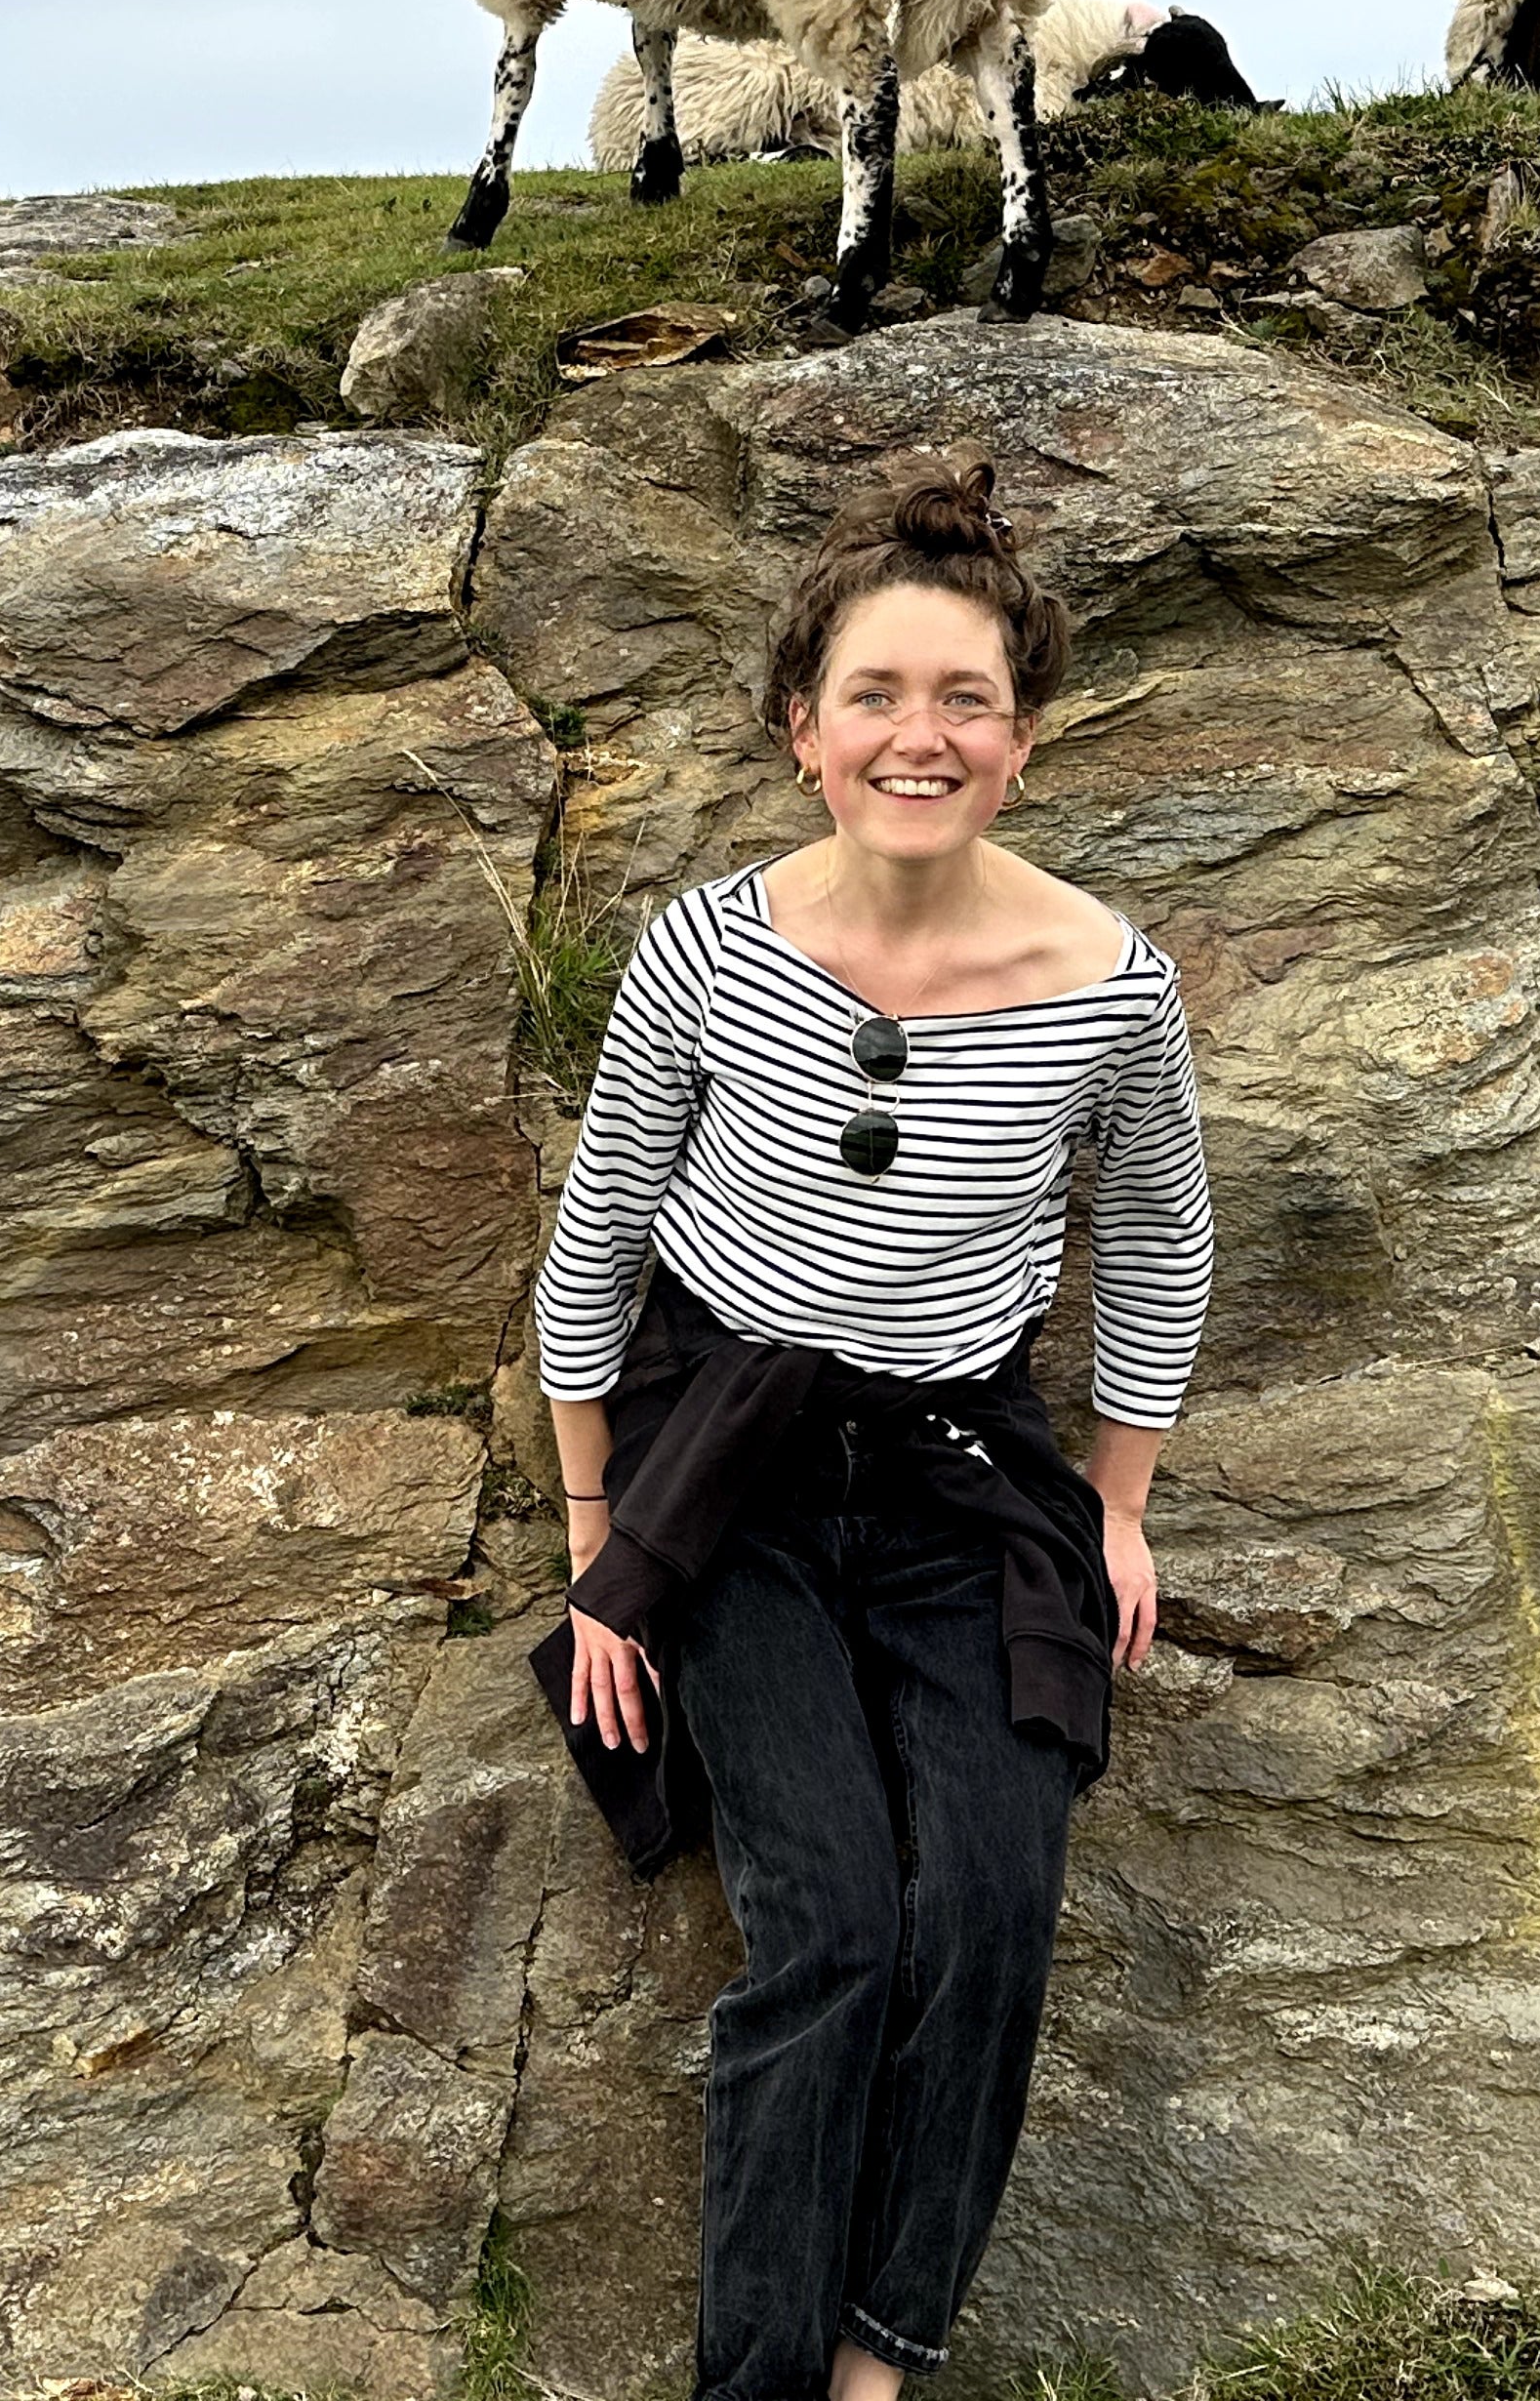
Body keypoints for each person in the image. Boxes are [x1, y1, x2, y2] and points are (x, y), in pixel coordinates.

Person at [528, 457, 1213, 2401]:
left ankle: (879, 2358)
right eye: (877, 697)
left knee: (989, 1904)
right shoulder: (703, 951)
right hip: (718, 1464)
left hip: (960, 1470)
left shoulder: (1106, 985)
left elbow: (1162, 1234)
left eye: (966, 700)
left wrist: (1120, 1504)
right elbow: (594, 1247)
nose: (921, 735)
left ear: (1024, 736)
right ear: (802, 731)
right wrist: (606, 1539)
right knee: (826, 1924)